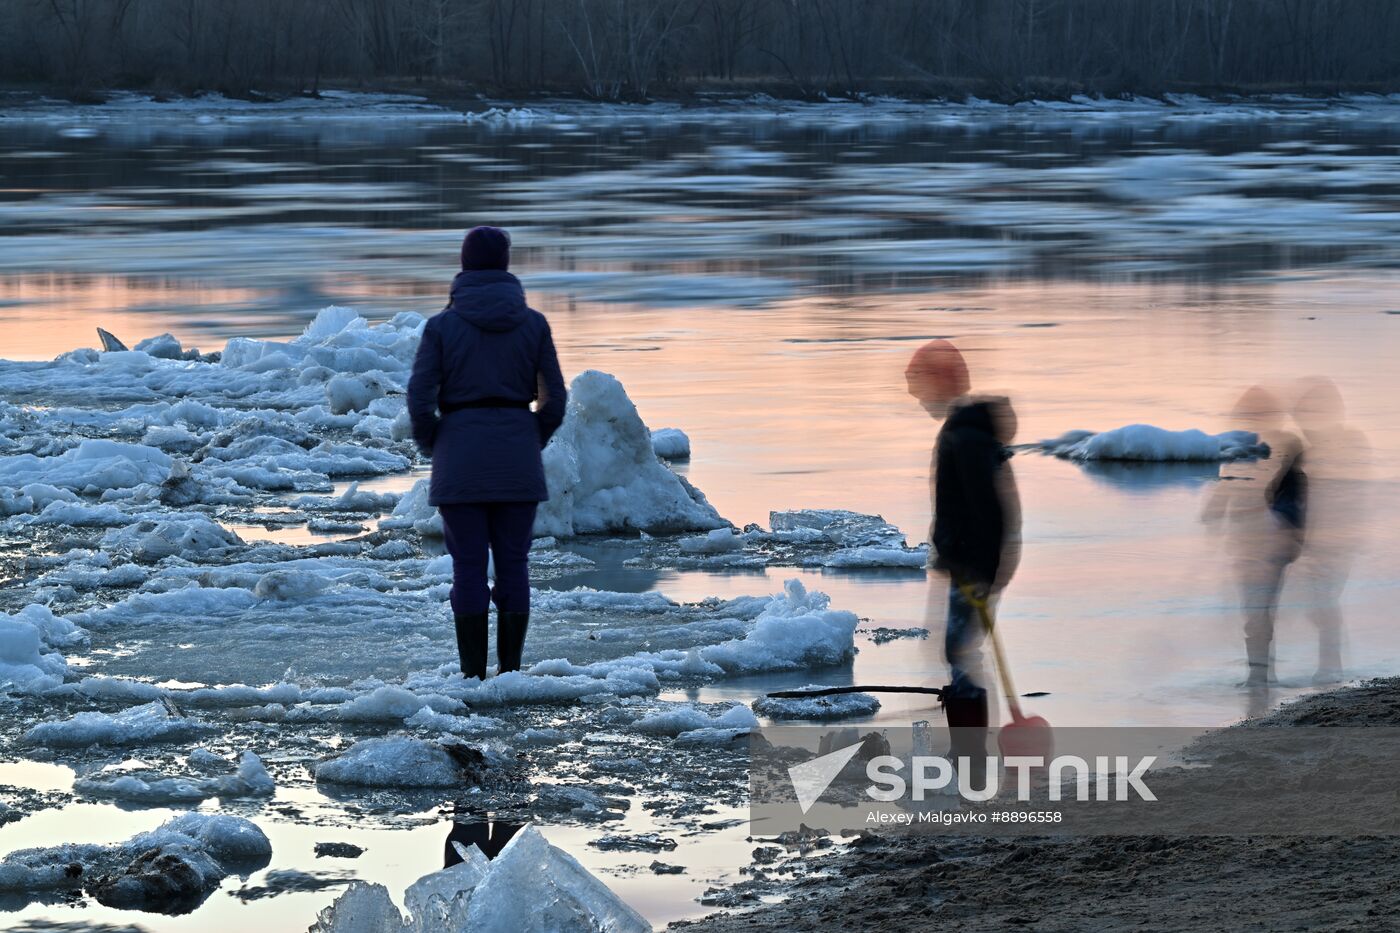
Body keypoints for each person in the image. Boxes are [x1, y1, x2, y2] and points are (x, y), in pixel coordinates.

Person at [407, 226, 566, 680]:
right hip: (517, 455)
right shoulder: (533, 324)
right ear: (505, 263)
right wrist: (528, 437)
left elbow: (420, 397)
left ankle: (472, 675)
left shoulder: (441, 327)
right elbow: (554, 398)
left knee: (468, 568)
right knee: (514, 564)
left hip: (460, 457)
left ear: (464, 264)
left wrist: (438, 442)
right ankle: (510, 672)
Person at [907, 340, 1022, 775]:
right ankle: (968, 751)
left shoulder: (966, 435)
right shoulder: (962, 430)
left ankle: (971, 756)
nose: (920, 400)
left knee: (960, 650)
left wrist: (977, 568)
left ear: (942, 382)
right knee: (960, 651)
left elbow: (989, 511)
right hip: (968, 563)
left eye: (922, 388)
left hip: (973, 567)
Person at [1201, 386, 1305, 688]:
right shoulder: (1244, 448)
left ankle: (1259, 675)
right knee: (1255, 609)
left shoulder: (1285, 448)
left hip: (1271, 542)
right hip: (1247, 542)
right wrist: (1214, 511)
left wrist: (1291, 535)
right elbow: (1228, 486)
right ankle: (1258, 673)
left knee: (1258, 608)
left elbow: (1293, 491)